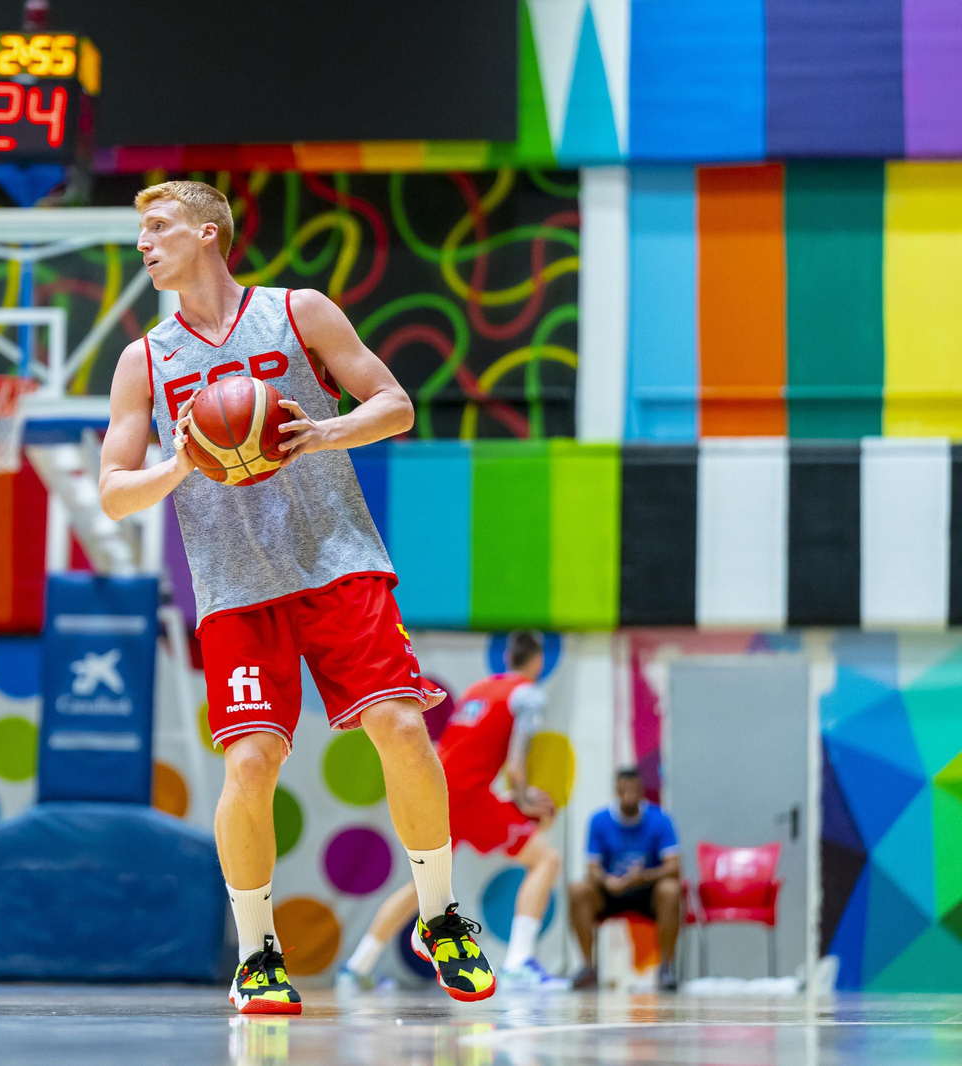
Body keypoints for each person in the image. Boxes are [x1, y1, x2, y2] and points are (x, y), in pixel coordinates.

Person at [99, 180, 493, 1014]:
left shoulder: (298, 310)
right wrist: (178, 464)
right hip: (235, 585)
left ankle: (440, 915)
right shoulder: (145, 360)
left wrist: (326, 430)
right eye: (142, 231)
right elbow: (112, 492)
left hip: (335, 557)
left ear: (209, 233)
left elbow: (395, 403)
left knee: (399, 723)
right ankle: (258, 954)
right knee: (251, 761)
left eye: (159, 226)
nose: (145, 242)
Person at [336, 633, 566, 992]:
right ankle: (519, 963)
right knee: (547, 859)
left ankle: (357, 967)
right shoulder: (529, 695)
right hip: (468, 796)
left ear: (506, 657)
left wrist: (504, 797)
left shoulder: (479, 688)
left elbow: (458, 749)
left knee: (427, 886)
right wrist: (522, 799)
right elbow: (517, 765)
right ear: (538, 661)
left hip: (440, 787)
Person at [567, 767, 682, 991]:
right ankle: (588, 967)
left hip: (647, 892)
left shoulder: (660, 819)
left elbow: (674, 866)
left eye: (633, 791)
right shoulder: (599, 820)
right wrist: (608, 880)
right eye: (623, 791)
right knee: (578, 889)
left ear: (642, 792)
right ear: (615, 792)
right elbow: (592, 868)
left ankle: (666, 967)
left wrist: (644, 876)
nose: (628, 796)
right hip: (611, 892)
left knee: (671, 889)